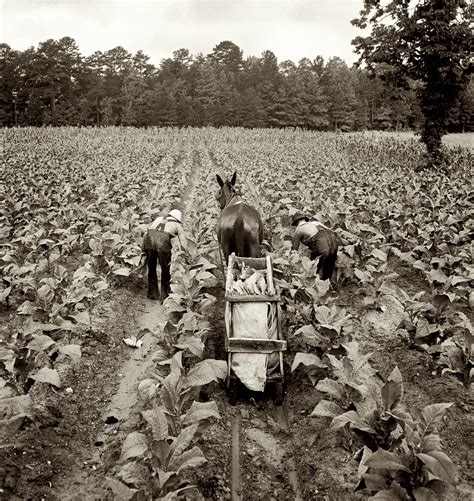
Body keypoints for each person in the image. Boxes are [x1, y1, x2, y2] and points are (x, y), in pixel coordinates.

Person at [142, 208, 183, 300]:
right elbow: (183, 241)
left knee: (151, 268)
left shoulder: (159, 219)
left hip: (149, 238)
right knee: (165, 268)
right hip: (162, 241)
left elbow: (146, 232)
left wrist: (143, 248)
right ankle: (165, 295)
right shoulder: (177, 224)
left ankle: (152, 293)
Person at [291, 212, 338, 281]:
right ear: (304, 219)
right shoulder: (314, 223)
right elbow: (329, 230)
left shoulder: (298, 230)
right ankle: (328, 281)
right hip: (331, 237)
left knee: (315, 263)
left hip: (319, 242)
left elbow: (294, 250)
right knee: (331, 259)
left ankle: (317, 281)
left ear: (296, 222)